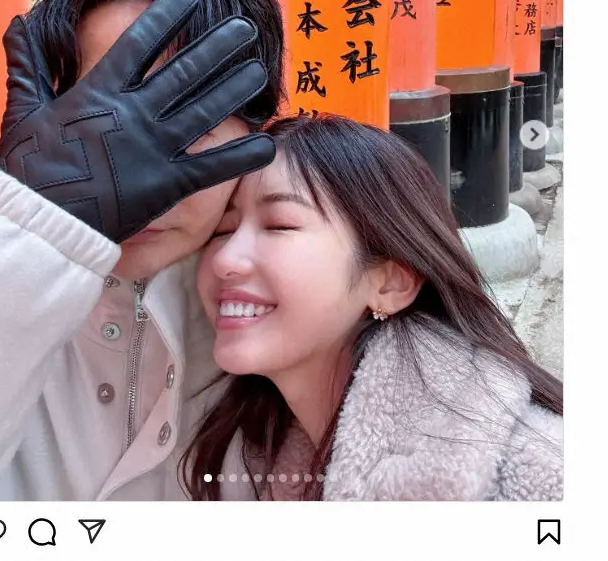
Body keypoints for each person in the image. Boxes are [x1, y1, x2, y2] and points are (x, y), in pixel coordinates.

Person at [0, 0, 284, 500]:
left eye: (181, 120)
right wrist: (26, 242)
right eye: (96, 125)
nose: (131, 182)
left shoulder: (305, 295)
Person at [184, 115, 563, 501]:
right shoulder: (251, 450)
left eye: (279, 225)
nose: (225, 259)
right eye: (222, 230)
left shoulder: (539, 478)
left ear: (391, 282)